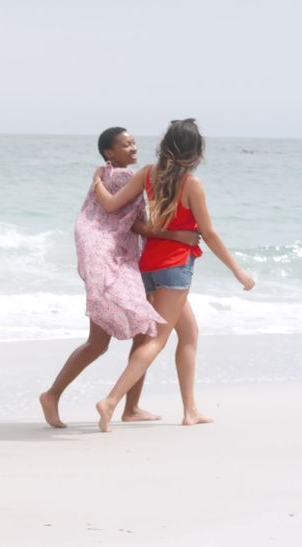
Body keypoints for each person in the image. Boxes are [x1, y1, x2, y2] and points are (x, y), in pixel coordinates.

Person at [91, 119, 255, 432]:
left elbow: (111, 205)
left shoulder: (149, 173)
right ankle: (111, 401)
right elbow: (208, 233)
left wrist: (97, 180)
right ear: (195, 150)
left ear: (166, 144)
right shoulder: (191, 183)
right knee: (157, 341)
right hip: (175, 268)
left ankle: (190, 409)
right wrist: (239, 271)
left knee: (190, 333)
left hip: (149, 265)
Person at [39, 127, 200, 428]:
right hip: (114, 265)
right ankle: (53, 394)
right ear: (109, 153)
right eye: (125, 145)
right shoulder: (125, 177)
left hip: (114, 263)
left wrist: (97, 180)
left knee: (138, 333)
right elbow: (137, 224)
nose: (134, 147)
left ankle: (131, 407)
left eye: (134, 142)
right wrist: (179, 233)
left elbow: (113, 212)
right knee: (102, 342)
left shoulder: (110, 175)